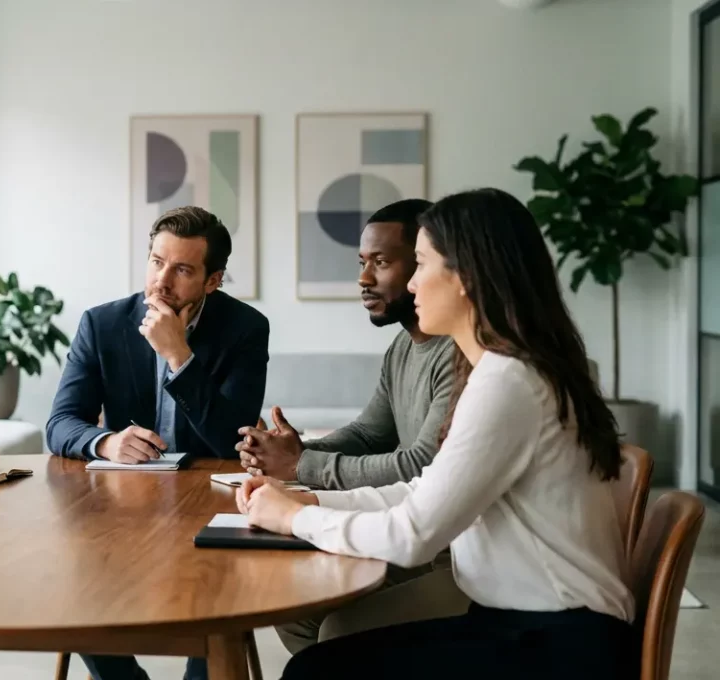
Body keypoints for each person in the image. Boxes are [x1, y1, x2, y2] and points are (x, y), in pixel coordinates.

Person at [240, 188, 636, 680]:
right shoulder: (506, 369)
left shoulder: (509, 382)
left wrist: (294, 518)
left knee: (318, 671)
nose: (412, 285)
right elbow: (422, 490)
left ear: (466, 276)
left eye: (421, 264)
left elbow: (412, 537)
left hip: (556, 643)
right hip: (530, 622)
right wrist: (309, 504)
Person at [46, 205, 269, 680]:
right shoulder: (102, 324)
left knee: (213, 605)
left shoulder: (246, 329)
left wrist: (178, 354)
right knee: (77, 586)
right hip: (120, 512)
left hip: (210, 507)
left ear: (213, 281)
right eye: (155, 261)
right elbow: (61, 423)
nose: (161, 282)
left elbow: (231, 441)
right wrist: (105, 443)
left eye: (182, 269)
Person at [237, 199, 467, 652]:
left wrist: (302, 467)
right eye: (362, 263)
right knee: (298, 607)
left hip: (454, 556)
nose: (363, 279)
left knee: (328, 618)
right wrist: (292, 451)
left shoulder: (466, 358)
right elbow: (368, 434)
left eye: (382, 262)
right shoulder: (404, 348)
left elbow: (422, 465)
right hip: (423, 530)